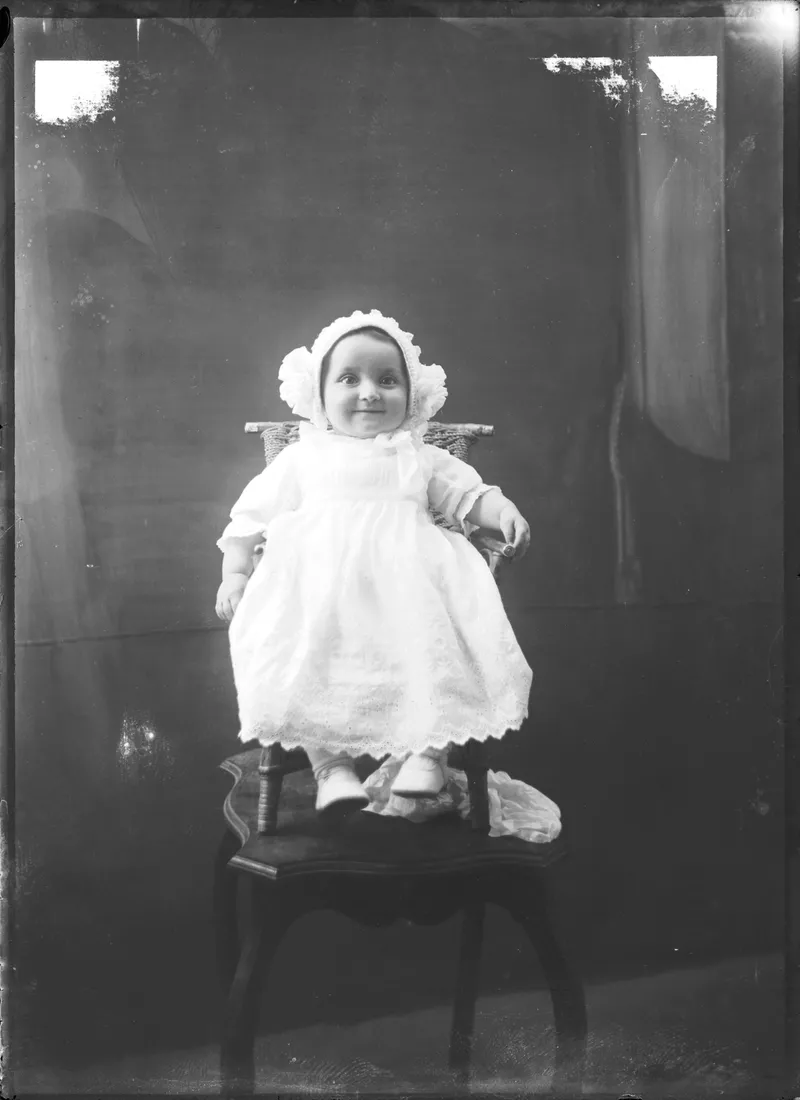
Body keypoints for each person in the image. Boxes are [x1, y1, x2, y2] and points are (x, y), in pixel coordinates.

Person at [215, 309, 533, 816]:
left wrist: (503, 511)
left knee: (435, 653)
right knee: (302, 660)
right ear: (319, 395)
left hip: (410, 583)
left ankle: (427, 756)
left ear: (412, 394)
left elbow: (467, 495)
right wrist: (235, 572)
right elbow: (250, 516)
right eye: (349, 379)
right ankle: (331, 769)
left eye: (387, 380)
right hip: (319, 587)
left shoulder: (417, 453)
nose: (369, 393)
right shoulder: (304, 456)